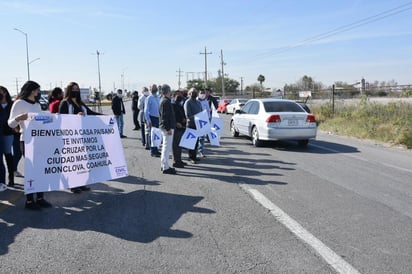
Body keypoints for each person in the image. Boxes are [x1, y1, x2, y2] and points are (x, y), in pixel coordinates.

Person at [8, 80, 52, 209]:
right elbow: (10, 123)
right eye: (38, 90)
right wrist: (19, 118)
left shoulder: (37, 105)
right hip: (26, 140)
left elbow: (41, 121)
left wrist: (54, 119)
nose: (39, 93)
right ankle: (29, 201)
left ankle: (40, 197)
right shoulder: (19, 103)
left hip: (39, 140)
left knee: (40, 169)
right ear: (32, 90)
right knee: (31, 170)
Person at [59, 82, 101, 194]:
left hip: (82, 136)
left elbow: (90, 113)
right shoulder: (65, 103)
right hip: (70, 137)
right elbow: (61, 119)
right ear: (69, 90)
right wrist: (75, 117)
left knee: (82, 161)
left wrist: (106, 117)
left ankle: (81, 183)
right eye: (73, 89)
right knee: (73, 162)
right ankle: (73, 185)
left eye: (77, 89)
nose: (76, 91)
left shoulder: (80, 103)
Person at [159, 84, 176, 174]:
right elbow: (164, 117)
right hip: (167, 128)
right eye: (170, 90)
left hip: (166, 127)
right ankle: (165, 167)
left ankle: (164, 165)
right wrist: (168, 128)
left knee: (166, 147)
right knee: (166, 148)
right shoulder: (165, 101)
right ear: (168, 91)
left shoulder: (165, 100)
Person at [0, 86, 15, 187]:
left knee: (8, 154)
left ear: (5, 93)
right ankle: (2, 181)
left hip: (8, 133)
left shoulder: (11, 104)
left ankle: (11, 177)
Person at [184, 88, 202, 164]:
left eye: (195, 92)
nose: (194, 93)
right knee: (191, 142)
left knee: (196, 142)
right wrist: (197, 116)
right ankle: (191, 157)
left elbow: (201, 112)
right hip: (191, 124)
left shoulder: (198, 102)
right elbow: (188, 115)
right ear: (189, 93)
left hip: (198, 124)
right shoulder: (187, 102)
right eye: (192, 92)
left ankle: (194, 156)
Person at [144, 84, 161, 157]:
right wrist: (148, 121)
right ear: (150, 89)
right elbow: (146, 110)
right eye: (152, 87)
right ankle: (153, 151)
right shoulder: (149, 98)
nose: (154, 88)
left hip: (158, 118)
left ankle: (156, 149)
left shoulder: (158, 97)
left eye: (155, 87)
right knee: (152, 135)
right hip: (152, 118)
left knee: (157, 134)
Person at [172, 90, 187, 168]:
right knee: (176, 145)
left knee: (180, 145)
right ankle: (176, 161)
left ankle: (179, 160)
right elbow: (172, 117)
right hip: (177, 127)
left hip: (182, 127)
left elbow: (183, 114)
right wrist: (176, 123)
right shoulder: (173, 105)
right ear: (174, 96)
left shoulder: (180, 105)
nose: (179, 97)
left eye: (180, 96)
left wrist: (184, 119)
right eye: (178, 96)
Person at [197, 89, 211, 158]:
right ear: (198, 94)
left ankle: (201, 151)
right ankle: (192, 152)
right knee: (196, 137)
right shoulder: (196, 101)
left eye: (203, 93)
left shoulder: (206, 101)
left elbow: (208, 111)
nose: (202, 94)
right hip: (196, 120)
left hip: (204, 121)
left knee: (202, 137)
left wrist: (208, 119)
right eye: (201, 93)